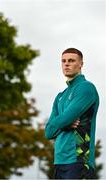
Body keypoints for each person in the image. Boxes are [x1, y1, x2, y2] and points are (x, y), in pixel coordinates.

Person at [45, 48, 99, 179]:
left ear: (81, 64)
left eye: (71, 61)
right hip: (59, 161)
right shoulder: (60, 96)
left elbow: (63, 120)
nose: (66, 64)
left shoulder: (86, 88)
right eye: (63, 61)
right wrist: (65, 124)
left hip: (78, 160)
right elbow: (48, 132)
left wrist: (60, 122)